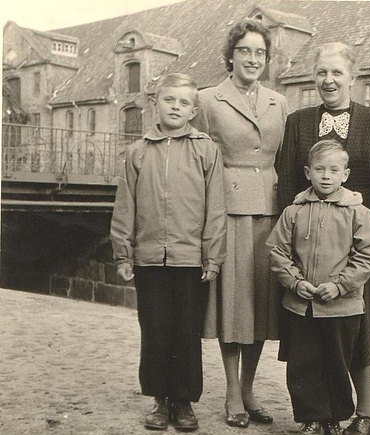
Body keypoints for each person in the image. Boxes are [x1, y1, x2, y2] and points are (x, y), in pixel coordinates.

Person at [276, 42, 370, 435]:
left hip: (360, 249)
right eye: (321, 73)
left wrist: (364, 243)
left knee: (362, 330)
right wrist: (297, 247)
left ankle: (366, 413)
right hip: (310, 248)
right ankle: (319, 413)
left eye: (336, 73)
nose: (328, 81)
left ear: (353, 78)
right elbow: (288, 189)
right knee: (312, 333)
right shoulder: (297, 122)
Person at [110, 73, 227, 432]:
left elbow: (216, 207)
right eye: (169, 100)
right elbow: (125, 205)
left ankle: (185, 401)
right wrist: (123, 253)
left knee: (186, 331)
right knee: (155, 328)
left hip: (191, 259)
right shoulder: (137, 152)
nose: (176, 107)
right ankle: (160, 400)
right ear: (155, 104)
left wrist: (213, 255)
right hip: (148, 259)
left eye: (184, 103)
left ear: (194, 110)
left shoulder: (206, 150)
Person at [191, 18, 288, 428]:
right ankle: (232, 391)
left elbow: (281, 157)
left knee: (262, 308)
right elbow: (194, 160)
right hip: (226, 212)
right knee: (232, 306)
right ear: (230, 56)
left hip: (269, 214)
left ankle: (250, 388)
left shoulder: (278, 102)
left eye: (260, 53)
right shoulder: (207, 99)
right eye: (245, 51)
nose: (252, 59)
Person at [268, 140, 370, 435]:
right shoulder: (294, 212)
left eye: (334, 170)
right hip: (301, 304)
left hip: (341, 307)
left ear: (345, 174)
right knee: (303, 364)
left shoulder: (358, 213)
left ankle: (333, 418)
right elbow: (277, 252)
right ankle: (311, 418)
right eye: (320, 169)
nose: (326, 176)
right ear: (308, 172)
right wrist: (295, 282)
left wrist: (340, 286)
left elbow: (369, 256)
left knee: (336, 363)